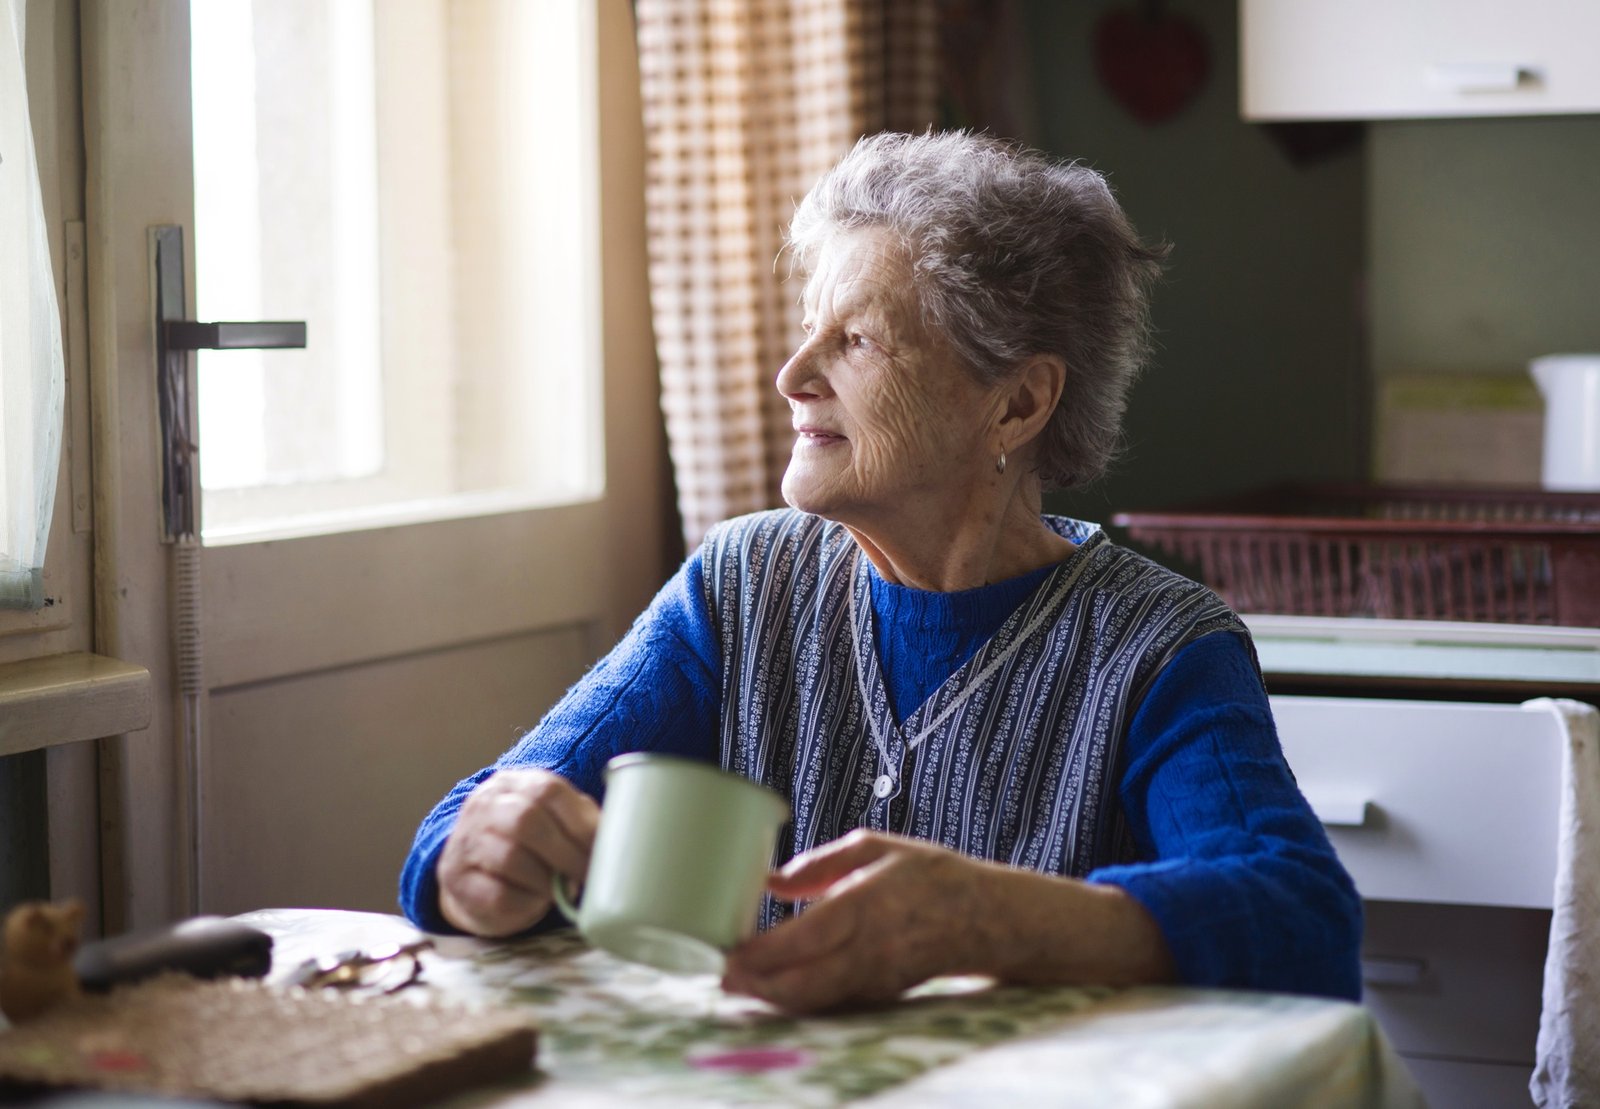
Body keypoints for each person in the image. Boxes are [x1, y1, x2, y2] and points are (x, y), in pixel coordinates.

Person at [400, 130, 1362, 1012]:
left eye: (855, 340)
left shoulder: (1156, 645)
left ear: (1018, 403)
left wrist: (987, 918)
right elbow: (469, 827)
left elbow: (1304, 919)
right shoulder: (741, 587)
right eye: (810, 326)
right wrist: (477, 865)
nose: (792, 375)